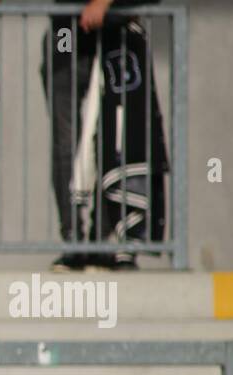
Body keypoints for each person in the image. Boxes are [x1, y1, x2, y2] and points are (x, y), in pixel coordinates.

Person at [43, 0, 168, 270]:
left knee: (115, 141)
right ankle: (74, 241)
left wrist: (103, 2)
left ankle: (104, 239)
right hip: (66, 33)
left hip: (117, 36)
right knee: (66, 143)